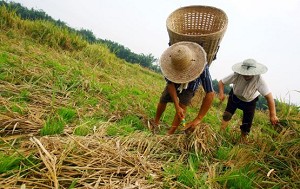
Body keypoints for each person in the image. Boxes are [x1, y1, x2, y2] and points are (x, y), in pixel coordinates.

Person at [151, 41, 214, 135]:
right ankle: (156, 122)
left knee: (183, 105)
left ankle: (170, 132)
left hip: (190, 86)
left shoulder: (202, 66)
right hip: (174, 83)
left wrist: (198, 119)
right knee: (163, 99)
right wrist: (176, 106)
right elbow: (170, 84)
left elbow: (210, 93)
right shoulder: (170, 62)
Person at [218, 58, 279, 142]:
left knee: (247, 123)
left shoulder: (259, 80)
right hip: (235, 96)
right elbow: (221, 82)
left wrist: (273, 115)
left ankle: (242, 140)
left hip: (250, 101)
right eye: (244, 74)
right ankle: (220, 134)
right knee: (227, 115)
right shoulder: (236, 74)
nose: (246, 75)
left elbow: (269, 97)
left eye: (248, 74)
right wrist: (221, 94)